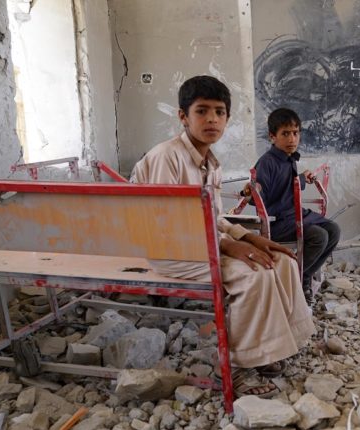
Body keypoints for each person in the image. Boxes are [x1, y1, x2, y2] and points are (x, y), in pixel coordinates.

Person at [130, 76, 316, 398]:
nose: (212, 119)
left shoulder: (211, 164)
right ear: (183, 116)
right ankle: (238, 366)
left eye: (219, 112)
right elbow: (167, 226)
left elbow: (213, 217)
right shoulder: (167, 157)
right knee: (253, 274)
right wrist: (230, 246)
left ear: (227, 118)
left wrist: (249, 237)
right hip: (170, 251)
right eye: (202, 111)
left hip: (200, 243)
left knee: (282, 262)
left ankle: (273, 348)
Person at [252, 108, 341, 302]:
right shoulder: (267, 162)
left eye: (295, 133)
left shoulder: (289, 159)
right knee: (319, 236)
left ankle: (304, 276)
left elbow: (285, 186)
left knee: (333, 230)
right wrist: (253, 190)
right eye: (285, 134)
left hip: (294, 215)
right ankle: (293, 279)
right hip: (277, 222)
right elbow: (258, 196)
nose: (292, 139)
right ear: (272, 136)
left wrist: (301, 177)